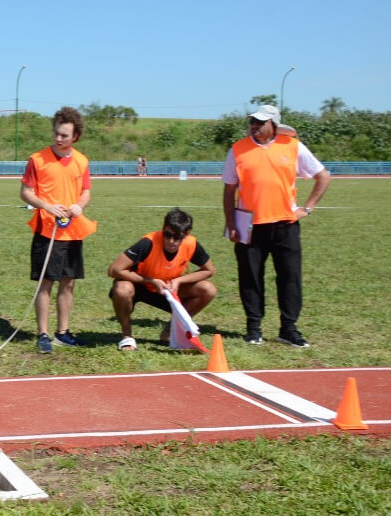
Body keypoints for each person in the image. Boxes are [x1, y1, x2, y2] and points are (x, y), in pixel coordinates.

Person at [222, 104, 330, 347]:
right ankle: (253, 328)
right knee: (250, 277)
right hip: (250, 226)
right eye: (252, 121)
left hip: (285, 224)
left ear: (274, 125)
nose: (254, 126)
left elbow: (323, 177)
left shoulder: (293, 147)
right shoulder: (238, 149)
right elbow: (229, 189)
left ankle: (288, 329)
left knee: (290, 277)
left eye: (260, 122)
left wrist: (307, 208)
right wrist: (231, 223)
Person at [20, 106, 97, 353]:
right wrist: (47, 206)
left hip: (72, 231)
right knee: (46, 283)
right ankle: (42, 334)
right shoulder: (37, 159)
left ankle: (62, 333)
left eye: (64, 135)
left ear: (75, 136)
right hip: (47, 230)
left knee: (69, 282)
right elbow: (25, 192)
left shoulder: (82, 161)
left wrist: (78, 206)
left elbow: (86, 192)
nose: (58, 138)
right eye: (56, 133)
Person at [107, 208, 216, 351]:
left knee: (208, 289)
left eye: (177, 237)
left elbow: (209, 270)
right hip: (140, 285)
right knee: (122, 289)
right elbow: (114, 270)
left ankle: (170, 332)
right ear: (163, 229)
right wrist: (150, 280)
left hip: (168, 289)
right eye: (167, 235)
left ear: (186, 235)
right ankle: (127, 337)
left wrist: (179, 281)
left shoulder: (191, 244)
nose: (171, 241)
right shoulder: (148, 242)